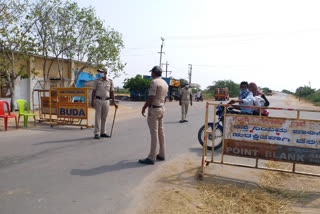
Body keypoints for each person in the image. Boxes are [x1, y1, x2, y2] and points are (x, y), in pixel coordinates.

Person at [139, 66, 169, 165]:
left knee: (154, 134)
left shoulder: (154, 82)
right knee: (161, 132)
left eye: (152, 72)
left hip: (154, 109)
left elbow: (151, 97)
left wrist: (144, 107)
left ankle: (151, 157)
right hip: (161, 108)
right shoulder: (165, 83)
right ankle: (162, 154)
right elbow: (164, 98)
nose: (151, 74)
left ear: (154, 73)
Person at [91, 67, 118, 139]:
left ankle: (103, 132)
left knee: (104, 117)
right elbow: (93, 92)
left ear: (105, 73)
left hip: (107, 101)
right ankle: (97, 133)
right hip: (98, 100)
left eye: (102, 72)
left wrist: (114, 103)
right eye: (100, 72)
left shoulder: (110, 81)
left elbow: (112, 92)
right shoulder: (97, 81)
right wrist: (92, 101)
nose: (100, 73)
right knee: (98, 117)